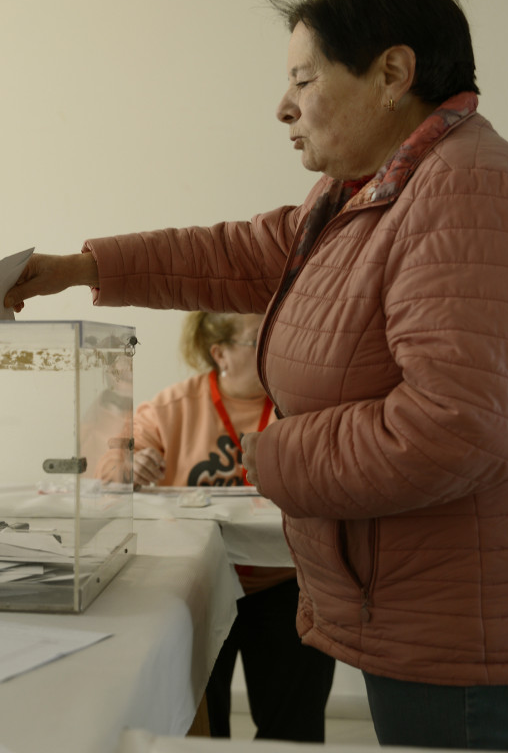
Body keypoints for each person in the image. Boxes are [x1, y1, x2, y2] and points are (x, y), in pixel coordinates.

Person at [3, 0, 508, 750]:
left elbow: (460, 425)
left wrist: (273, 454)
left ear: (393, 73)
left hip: (473, 636)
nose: (283, 107)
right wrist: (85, 266)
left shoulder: (470, 192)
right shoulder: (376, 192)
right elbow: (237, 253)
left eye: (303, 78)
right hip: (447, 617)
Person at [111, 311, 334, 740]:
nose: (275, 349)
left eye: (279, 335)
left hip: (287, 584)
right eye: (259, 341)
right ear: (221, 354)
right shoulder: (172, 407)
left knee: (294, 727)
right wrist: (130, 465)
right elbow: (114, 460)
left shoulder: (303, 407)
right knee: (200, 725)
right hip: (200, 582)